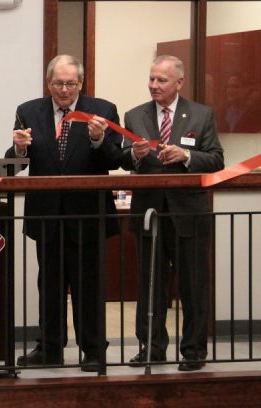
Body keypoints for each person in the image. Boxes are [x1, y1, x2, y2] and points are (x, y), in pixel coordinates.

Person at [5, 54, 122, 372]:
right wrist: (18, 148)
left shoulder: (103, 110)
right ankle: (50, 348)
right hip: (46, 214)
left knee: (89, 285)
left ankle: (94, 350)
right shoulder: (28, 111)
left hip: (88, 214)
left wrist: (98, 138)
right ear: (48, 83)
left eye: (71, 83)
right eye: (58, 83)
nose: (64, 89)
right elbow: (15, 163)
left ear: (81, 84)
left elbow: (115, 159)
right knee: (50, 285)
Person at [121, 55, 224, 372]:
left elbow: (217, 159)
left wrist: (187, 155)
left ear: (179, 82)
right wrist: (135, 156)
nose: (154, 85)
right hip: (149, 211)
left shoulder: (200, 115)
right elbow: (124, 160)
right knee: (149, 284)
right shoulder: (134, 115)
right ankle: (150, 348)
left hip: (189, 213)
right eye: (151, 79)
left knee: (193, 285)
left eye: (161, 80)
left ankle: (193, 351)